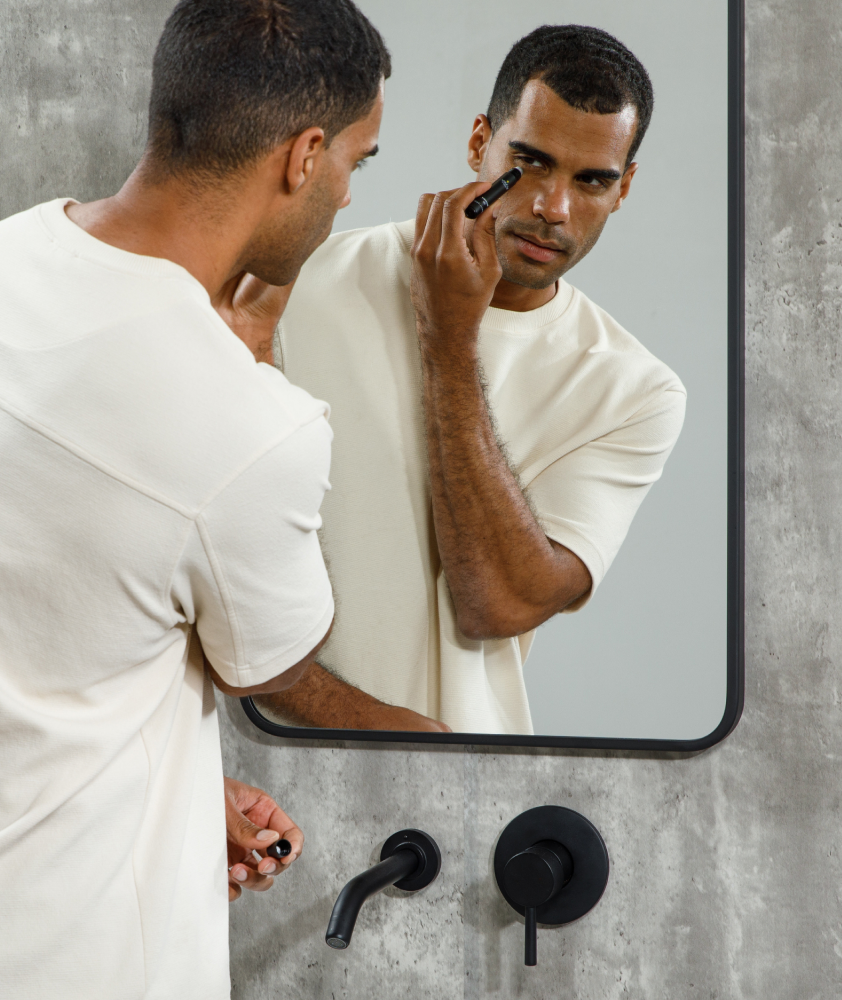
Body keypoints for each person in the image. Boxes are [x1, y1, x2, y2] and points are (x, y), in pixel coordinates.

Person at [0, 1, 388, 997]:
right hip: (78, 967)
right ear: (304, 155)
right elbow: (271, 666)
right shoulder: (246, 421)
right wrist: (252, 368)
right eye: (357, 162)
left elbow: (14, 630)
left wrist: (176, 792)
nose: (347, 196)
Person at [260, 24, 686, 735]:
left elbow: (500, 603)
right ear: (479, 142)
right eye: (531, 162)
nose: (554, 208)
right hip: (260, 755)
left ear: (625, 188)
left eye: (592, 181)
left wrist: (450, 337)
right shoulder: (294, 283)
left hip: (466, 777)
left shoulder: (633, 390)